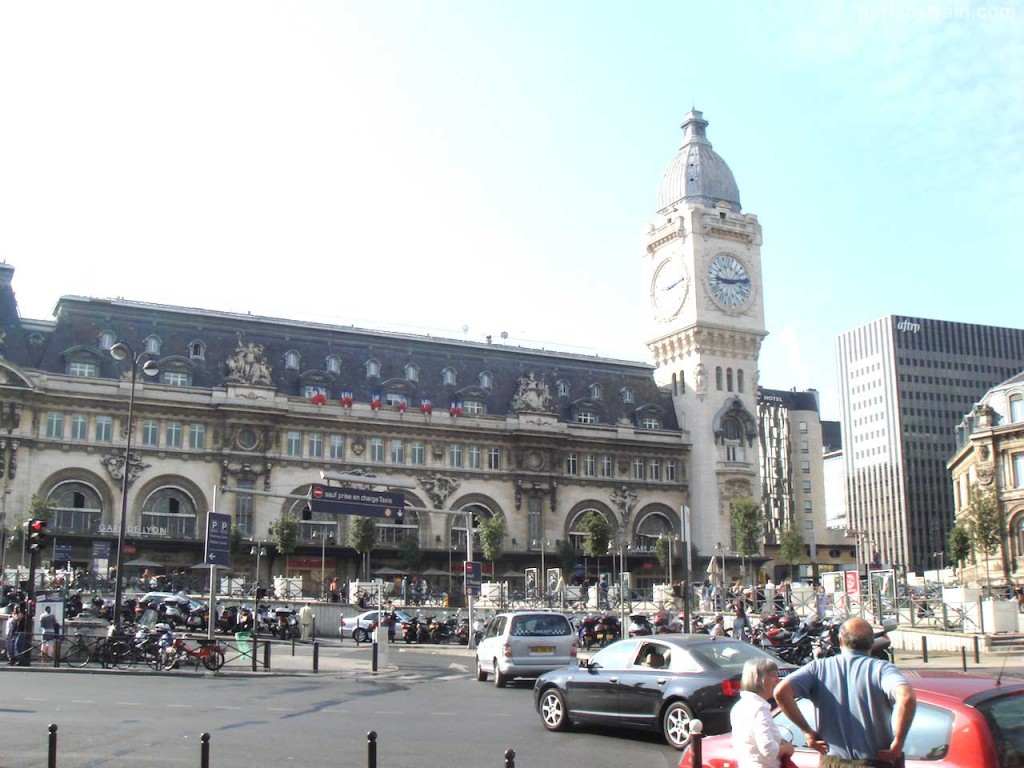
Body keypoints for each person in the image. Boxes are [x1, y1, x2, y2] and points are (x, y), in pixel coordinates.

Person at [774, 617, 917, 768]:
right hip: (875, 762)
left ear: (840, 640)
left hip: (833, 762)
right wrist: (898, 741)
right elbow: (906, 697)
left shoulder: (818, 668)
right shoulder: (881, 669)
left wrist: (807, 731)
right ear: (871, 643)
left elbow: (781, 692)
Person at [731, 657, 795, 768]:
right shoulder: (760, 708)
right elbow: (768, 749)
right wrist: (786, 749)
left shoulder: (739, 706)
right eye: (774, 675)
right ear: (762, 679)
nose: (778, 680)